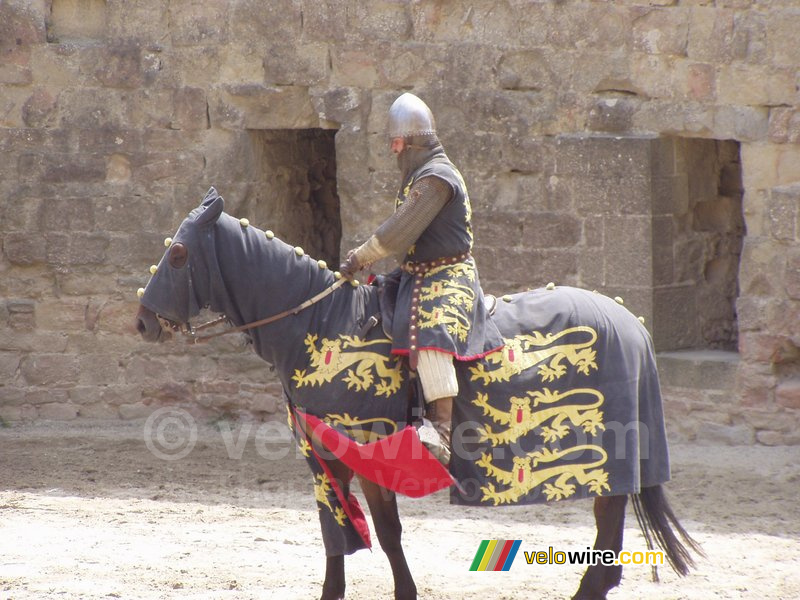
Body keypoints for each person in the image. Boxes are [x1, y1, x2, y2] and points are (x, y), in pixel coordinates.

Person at [339, 92, 504, 464]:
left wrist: (360, 256)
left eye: (396, 142)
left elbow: (398, 233)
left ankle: (441, 432)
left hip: (449, 274)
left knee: (431, 332)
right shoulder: (420, 172)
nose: (394, 150)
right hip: (417, 274)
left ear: (412, 142)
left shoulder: (436, 178)